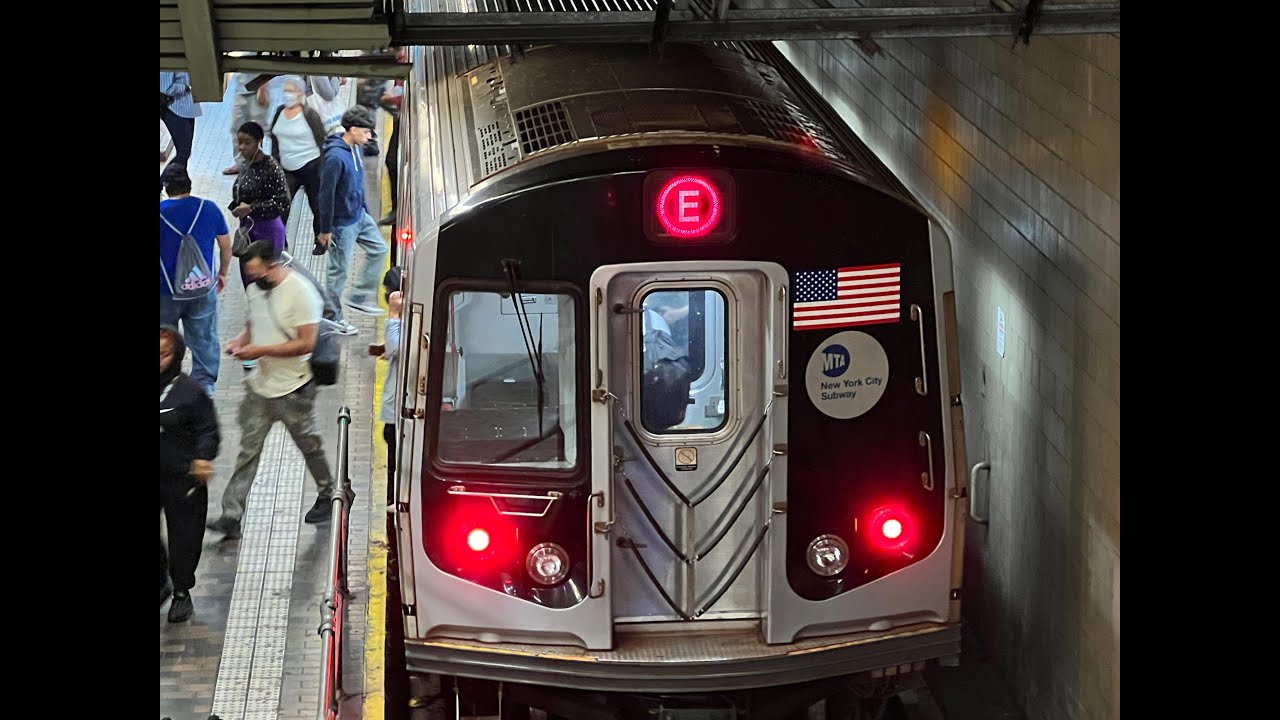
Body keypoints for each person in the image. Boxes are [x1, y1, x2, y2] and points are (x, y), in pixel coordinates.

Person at [207, 240, 337, 539]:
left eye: (257, 272)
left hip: (295, 388)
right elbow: (254, 322)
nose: (253, 279)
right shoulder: (256, 289)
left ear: (273, 265)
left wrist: (259, 350)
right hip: (260, 388)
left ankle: (328, 492)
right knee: (248, 451)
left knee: (309, 445)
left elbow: (306, 343)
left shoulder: (301, 293)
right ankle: (232, 514)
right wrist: (241, 341)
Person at [160, 325, 220, 623]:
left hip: (182, 477)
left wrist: (202, 458)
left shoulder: (190, 392)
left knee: (184, 535)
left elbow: (208, 429)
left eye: (164, 354)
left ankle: (181, 590)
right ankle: (161, 579)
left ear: (177, 355)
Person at [160, 163, 232, 396]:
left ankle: (167, 387)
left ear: (166, 188)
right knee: (204, 339)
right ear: (188, 184)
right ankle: (205, 390)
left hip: (165, 292)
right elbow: (225, 246)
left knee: (164, 342)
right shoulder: (209, 209)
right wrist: (222, 273)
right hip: (202, 288)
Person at [316, 106, 390, 325]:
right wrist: (325, 228)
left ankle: (358, 296)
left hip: (359, 215)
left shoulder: (355, 149)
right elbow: (325, 195)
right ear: (354, 129)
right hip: (341, 225)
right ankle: (332, 316)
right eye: (366, 132)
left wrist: (365, 210)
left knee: (379, 249)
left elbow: (357, 183)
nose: (369, 137)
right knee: (338, 273)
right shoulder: (335, 158)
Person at [228, 122, 291, 291]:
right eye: (239, 142)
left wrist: (251, 208)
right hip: (249, 230)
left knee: (268, 279)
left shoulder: (271, 167)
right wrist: (236, 206)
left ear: (259, 142)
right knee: (250, 277)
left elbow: (283, 201)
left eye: (247, 143)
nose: (242, 147)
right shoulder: (246, 165)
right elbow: (241, 191)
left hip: (268, 230)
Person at [268, 77, 327, 243]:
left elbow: (321, 140)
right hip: (287, 169)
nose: (287, 95)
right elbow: (274, 137)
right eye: (285, 91)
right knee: (281, 206)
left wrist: (322, 168)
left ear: (300, 94)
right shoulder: (279, 112)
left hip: (311, 167)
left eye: (291, 91)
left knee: (317, 205)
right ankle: (279, 242)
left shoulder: (310, 115)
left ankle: (320, 239)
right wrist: (275, 162)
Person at [372, 267, 403, 488]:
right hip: (396, 410)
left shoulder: (403, 318)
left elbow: (396, 347)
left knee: (394, 448)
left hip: (399, 410)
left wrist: (393, 315)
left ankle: (395, 495)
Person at [223, 73, 271, 175]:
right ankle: (240, 163)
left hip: (257, 91)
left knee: (258, 130)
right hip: (240, 90)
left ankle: (256, 163)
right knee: (235, 127)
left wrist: (262, 89)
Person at [160, 72, 201, 192]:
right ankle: (163, 184)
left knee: (185, 152)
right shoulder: (168, 57)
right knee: (183, 152)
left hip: (188, 106)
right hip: (173, 108)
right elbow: (165, 88)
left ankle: (179, 187)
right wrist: (186, 87)